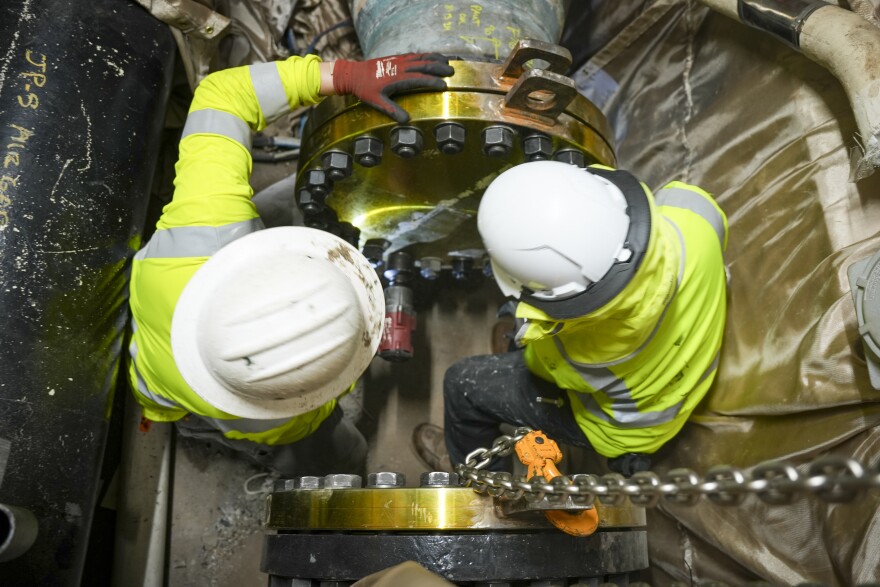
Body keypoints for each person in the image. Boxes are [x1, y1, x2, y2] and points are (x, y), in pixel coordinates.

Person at [128, 52, 454, 477]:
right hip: (191, 396)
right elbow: (317, 405)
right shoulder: (279, 417)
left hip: (161, 367)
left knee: (294, 192)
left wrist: (344, 75)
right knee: (340, 449)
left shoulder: (203, 225)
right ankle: (209, 434)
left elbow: (223, 93)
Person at [414, 160, 728, 475]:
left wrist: (531, 330)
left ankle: (476, 469)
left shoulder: (582, 352)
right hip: (685, 375)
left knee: (461, 384)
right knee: (515, 334)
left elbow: (538, 364)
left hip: (627, 428)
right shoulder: (691, 211)